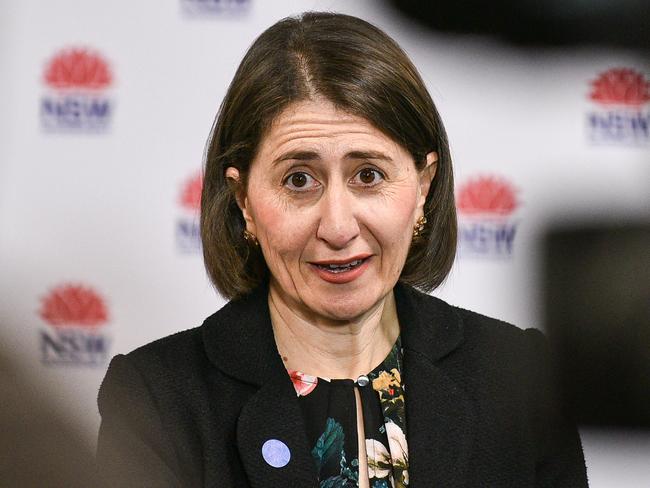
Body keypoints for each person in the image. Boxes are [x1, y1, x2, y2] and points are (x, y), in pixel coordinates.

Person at [97, 12, 588, 487]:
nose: (337, 226)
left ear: (423, 186)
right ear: (244, 200)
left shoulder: (523, 382)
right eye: (299, 180)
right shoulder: (155, 399)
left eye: (368, 175)